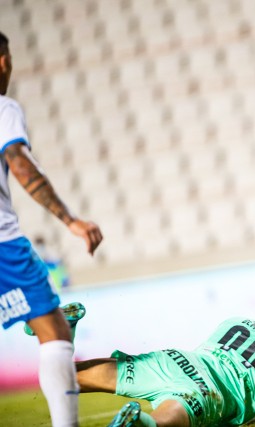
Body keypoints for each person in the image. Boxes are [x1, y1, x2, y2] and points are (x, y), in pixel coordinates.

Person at [0, 31, 103, 427]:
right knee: (55, 332)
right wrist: (71, 220)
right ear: (3, 61)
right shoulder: (3, 107)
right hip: (3, 245)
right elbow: (19, 162)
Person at [74, 297, 255, 427]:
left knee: (81, 378)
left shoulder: (234, 321)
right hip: (206, 391)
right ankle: (142, 424)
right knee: (168, 418)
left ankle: (64, 341)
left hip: (176, 360)